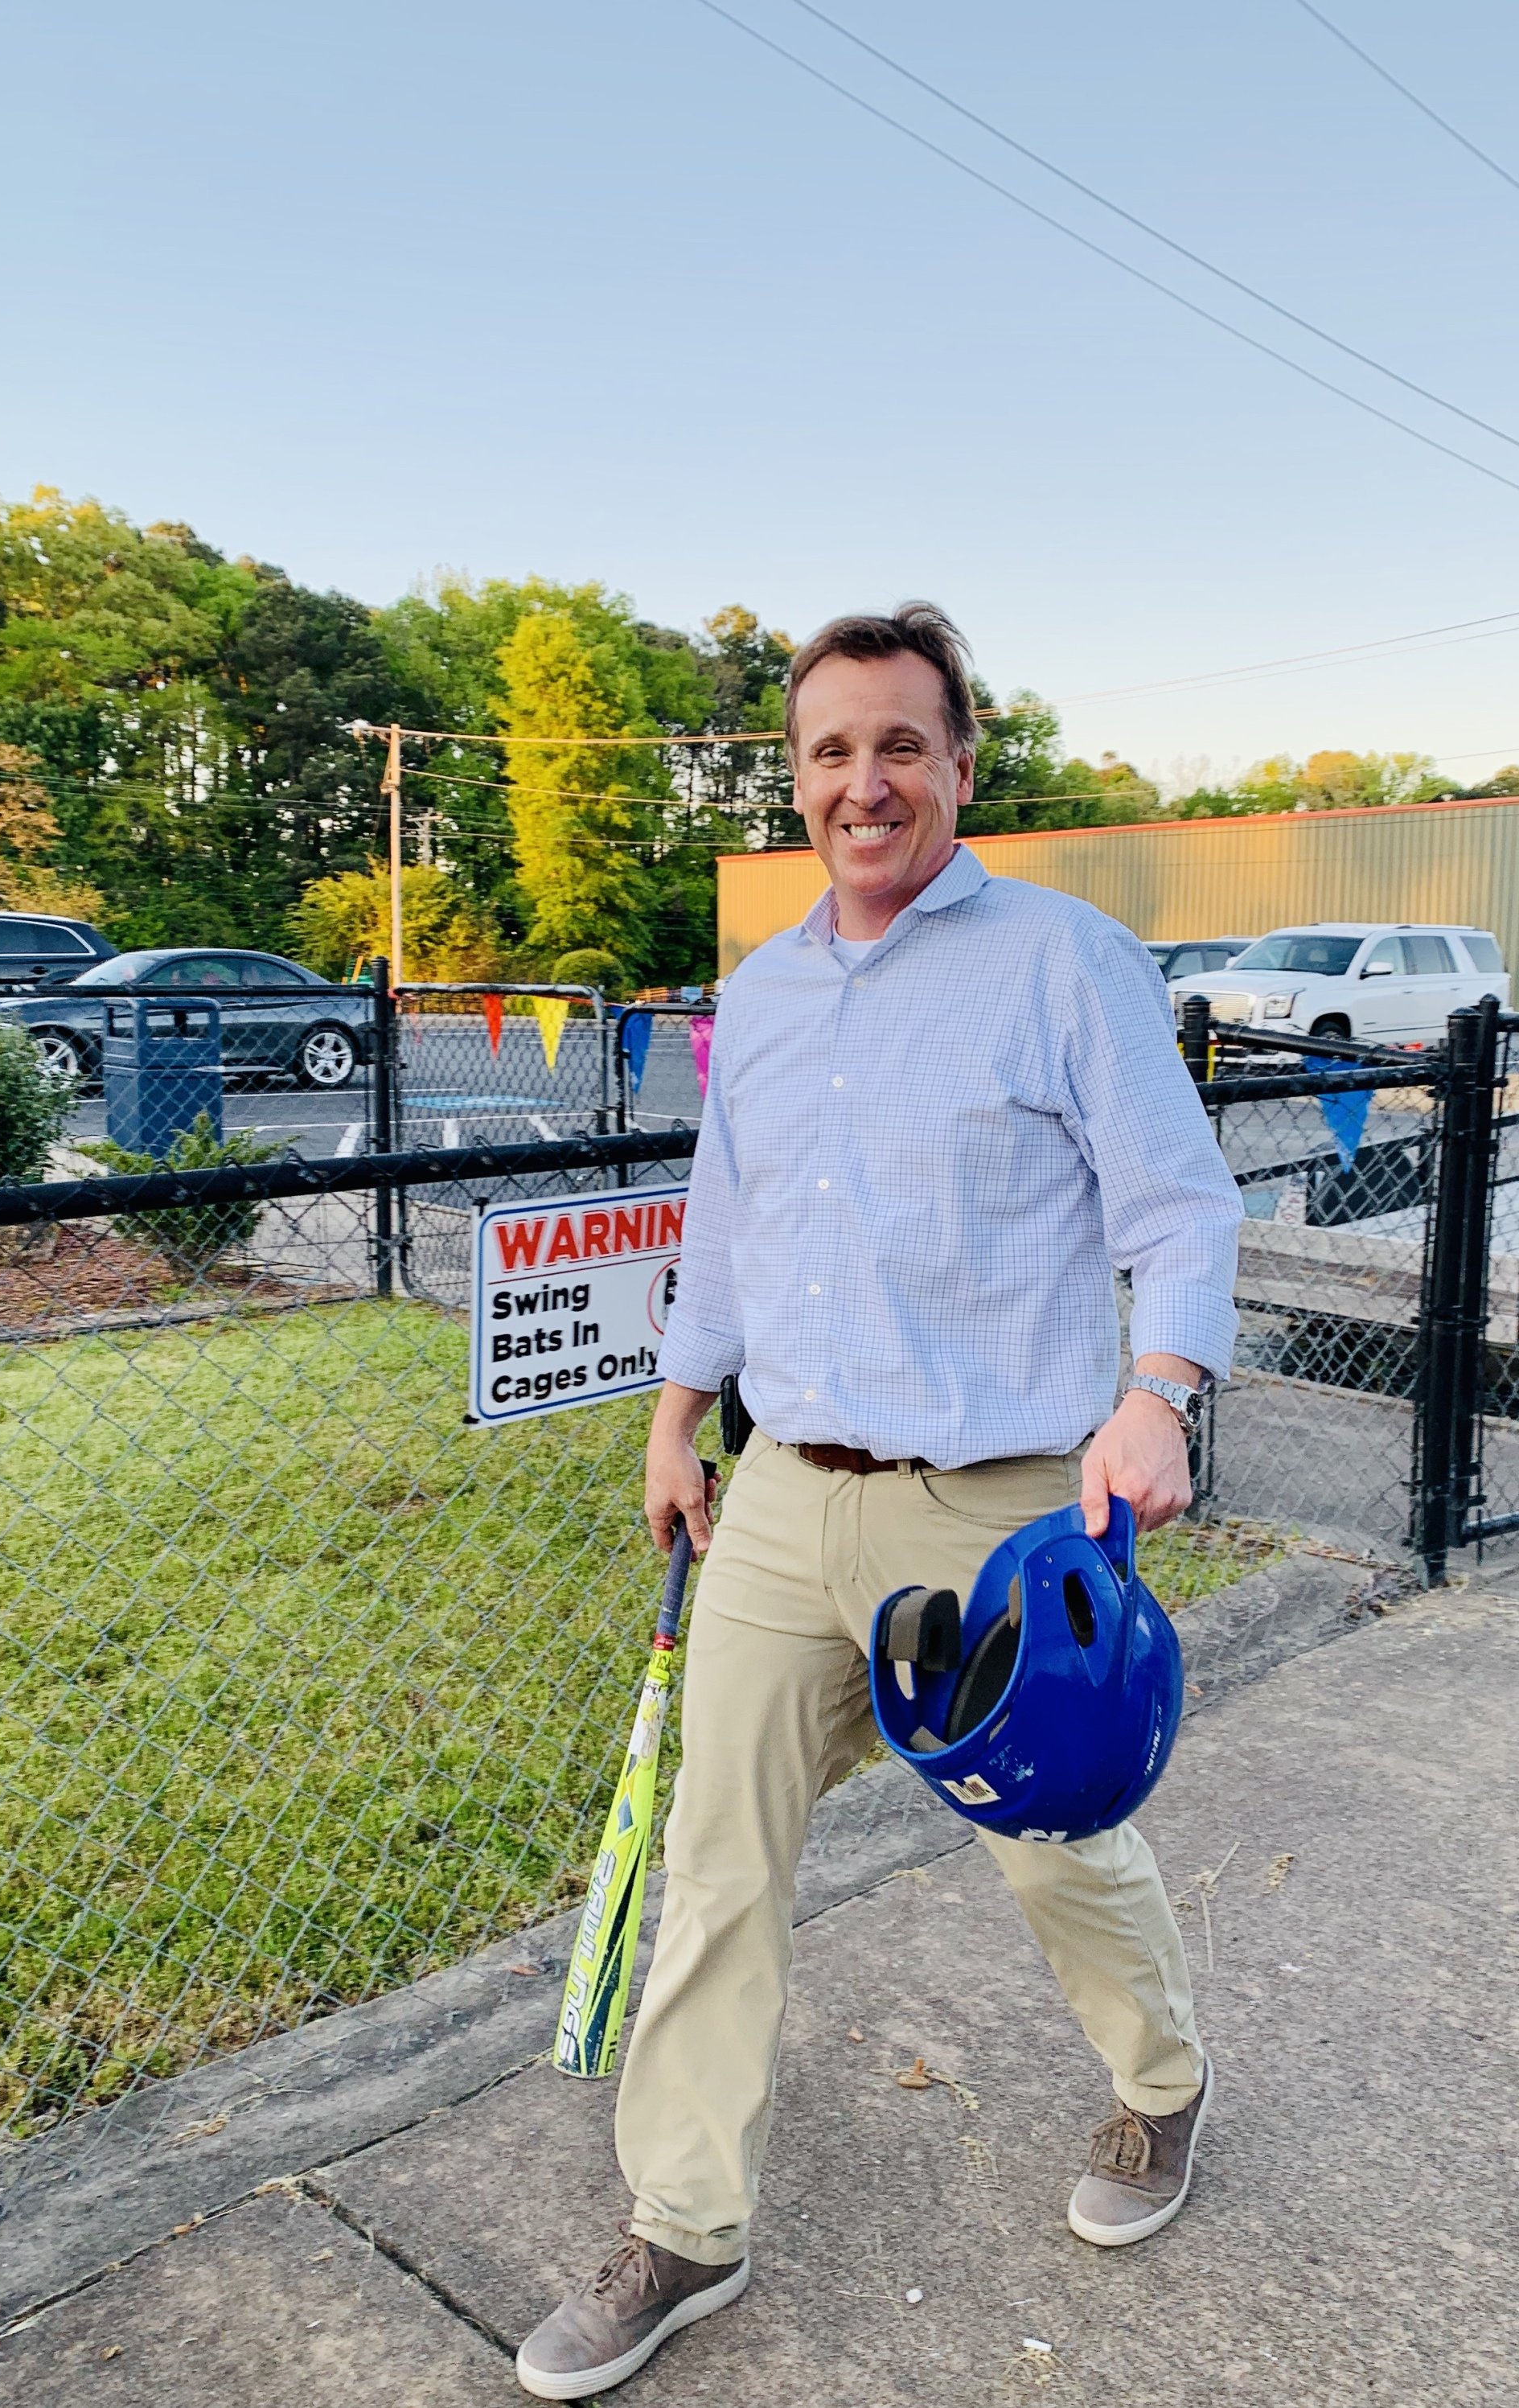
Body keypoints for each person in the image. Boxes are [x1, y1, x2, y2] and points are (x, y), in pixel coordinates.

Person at [515, 603, 1242, 2401]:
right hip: (781, 1497)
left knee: (1051, 1842)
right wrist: (680, 1415)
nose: (864, 782)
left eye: (899, 745)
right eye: (831, 751)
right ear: (798, 776)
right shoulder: (757, 999)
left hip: (996, 1506)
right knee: (720, 1864)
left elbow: (1181, 1211)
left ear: (961, 764)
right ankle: (683, 2228)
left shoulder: (1065, 963)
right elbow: (728, 1236)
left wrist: (1159, 1396)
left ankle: (1162, 2092)